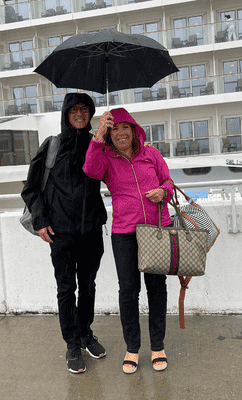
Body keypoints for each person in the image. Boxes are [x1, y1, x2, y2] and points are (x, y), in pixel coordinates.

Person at [21, 93, 108, 374]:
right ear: (66, 114)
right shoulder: (52, 146)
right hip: (61, 231)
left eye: (85, 109)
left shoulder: (100, 144)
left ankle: (85, 334)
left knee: (89, 285)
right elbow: (31, 188)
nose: (80, 114)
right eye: (74, 110)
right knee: (66, 287)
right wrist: (40, 220)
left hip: (92, 228)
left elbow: (121, 170)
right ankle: (72, 343)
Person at [83, 107, 174, 374]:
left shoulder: (151, 154)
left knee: (157, 288)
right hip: (124, 232)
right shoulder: (105, 158)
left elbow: (168, 181)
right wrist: (98, 135)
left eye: (125, 127)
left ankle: (157, 346)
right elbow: (90, 170)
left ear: (134, 131)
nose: (120, 133)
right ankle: (132, 348)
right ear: (109, 134)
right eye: (114, 128)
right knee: (128, 291)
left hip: (157, 228)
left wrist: (162, 192)